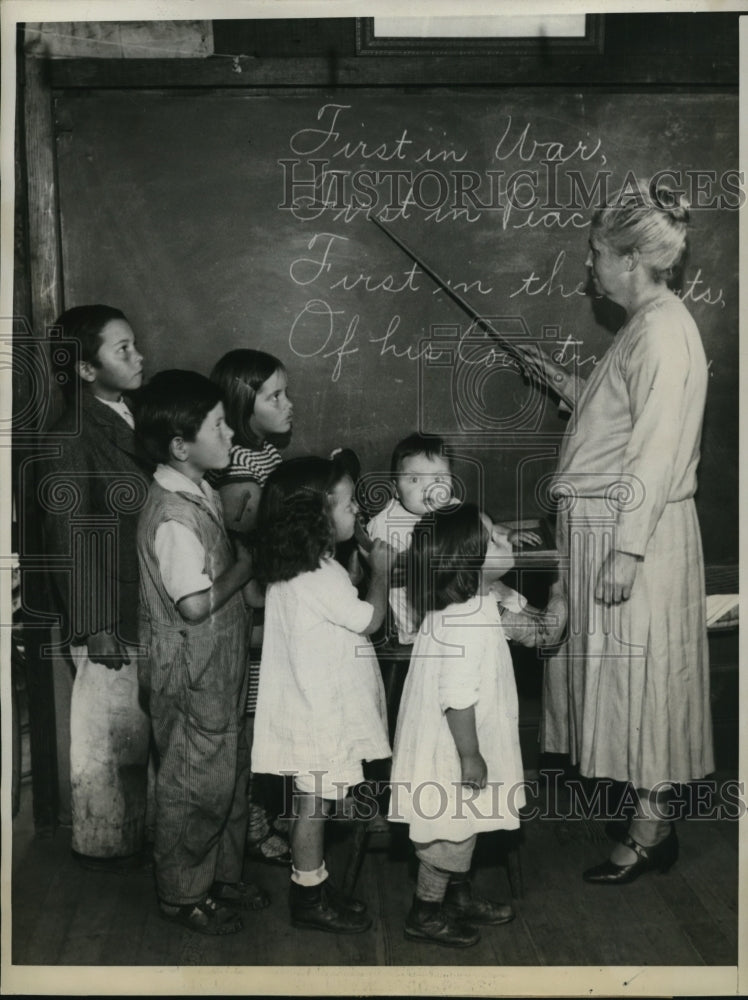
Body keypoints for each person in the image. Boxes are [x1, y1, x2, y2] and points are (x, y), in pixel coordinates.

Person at [535, 178, 713, 882]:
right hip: (611, 528)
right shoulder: (645, 324)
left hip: (632, 536)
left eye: (596, 254)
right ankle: (645, 805)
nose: (590, 267)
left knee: (644, 683)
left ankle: (651, 831)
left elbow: (657, 450)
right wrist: (570, 389)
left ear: (630, 260)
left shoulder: (665, 329)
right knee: (622, 682)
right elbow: (626, 421)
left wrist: (627, 550)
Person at [134, 370, 269, 935]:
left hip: (218, 666)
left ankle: (218, 877)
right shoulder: (172, 517)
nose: (232, 433)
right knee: (194, 786)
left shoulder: (199, 489)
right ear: (180, 447)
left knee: (226, 776)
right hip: (191, 674)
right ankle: (181, 894)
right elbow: (192, 606)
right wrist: (242, 569)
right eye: (219, 425)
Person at [251, 456, 392, 934]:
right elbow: (370, 620)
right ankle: (307, 897)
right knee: (314, 807)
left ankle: (314, 881)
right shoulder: (317, 575)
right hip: (319, 714)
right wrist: (382, 573)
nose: (358, 512)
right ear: (317, 515)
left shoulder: (306, 568)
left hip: (313, 708)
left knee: (318, 803)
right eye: (350, 503)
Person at [41, 304, 152, 871]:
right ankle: (107, 864)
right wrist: (95, 627)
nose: (138, 357)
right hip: (107, 614)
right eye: (122, 349)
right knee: (109, 749)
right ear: (86, 370)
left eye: (135, 345)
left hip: (145, 605)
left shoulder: (134, 412)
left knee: (135, 743)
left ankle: (137, 848)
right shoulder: (69, 437)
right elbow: (70, 539)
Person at [388, 504, 523, 949]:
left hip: (464, 735)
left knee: (465, 822)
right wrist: (470, 753)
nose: (504, 535)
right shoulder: (462, 620)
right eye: (492, 538)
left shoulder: (477, 601)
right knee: (449, 831)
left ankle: (456, 899)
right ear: (468, 564)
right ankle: (425, 912)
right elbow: (457, 697)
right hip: (453, 743)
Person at [209, 349, 294, 866]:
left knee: (266, 722)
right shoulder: (240, 465)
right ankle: (252, 830)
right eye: (275, 396)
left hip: (268, 604)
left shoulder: (261, 455)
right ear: (243, 404)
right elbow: (241, 551)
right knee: (252, 728)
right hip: (253, 610)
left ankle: (265, 818)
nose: (289, 405)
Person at [367, 432, 543, 646]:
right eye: (414, 479)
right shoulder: (386, 523)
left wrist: (509, 533)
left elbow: (485, 527)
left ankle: (536, 617)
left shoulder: (451, 507)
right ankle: (522, 628)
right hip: (422, 610)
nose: (428, 487)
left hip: (459, 590)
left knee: (491, 582)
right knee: (477, 590)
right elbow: (380, 564)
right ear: (395, 489)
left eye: (439, 478)